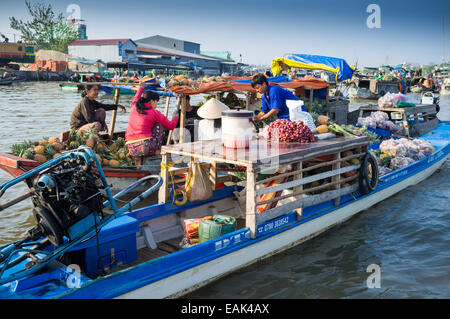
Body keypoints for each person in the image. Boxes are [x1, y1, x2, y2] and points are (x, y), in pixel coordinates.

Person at [125, 81, 179, 161]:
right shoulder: (154, 112)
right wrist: (175, 117)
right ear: (152, 101)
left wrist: (141, 88)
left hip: (131, 148)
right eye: (157, 102)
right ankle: (156, 151)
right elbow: (171, 126)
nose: (156, 105)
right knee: (159, 126)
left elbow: (136, 97)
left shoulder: (134, 106)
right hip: (145, 148)